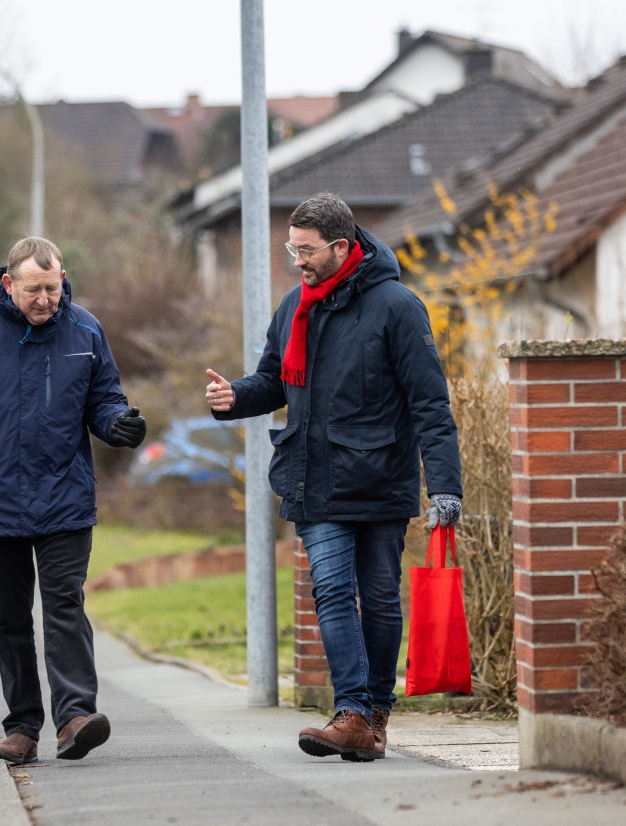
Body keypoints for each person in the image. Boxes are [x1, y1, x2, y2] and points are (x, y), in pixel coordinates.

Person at [204, 192, 462, 762]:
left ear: (342, 247)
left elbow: (429, 404)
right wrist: (233, 397)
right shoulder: (295, 305)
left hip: (381, 477)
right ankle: (349, 711)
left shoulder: (398, 306)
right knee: (330, 588)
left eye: (306, 250)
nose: (296, 260)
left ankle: (374, 715)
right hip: (313, 477)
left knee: (379, 596)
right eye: (291, 249)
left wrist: (445, 484)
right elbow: (274, 381)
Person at [0, 236, 147, 765]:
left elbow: (103, 400)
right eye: (34, 289)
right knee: (10, 619)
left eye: (54, 287)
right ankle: (22, 726)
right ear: (8, 284)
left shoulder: (85, 329)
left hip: (63, 497)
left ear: (63, 278)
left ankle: (75, 718)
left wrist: (117, 424)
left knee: (65, 605)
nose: (47, 299)